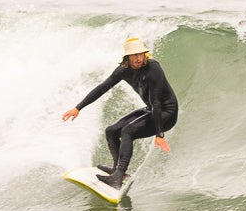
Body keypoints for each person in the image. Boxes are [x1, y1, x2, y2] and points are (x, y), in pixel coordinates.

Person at [62, 37, 178, 188]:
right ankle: (118, 171)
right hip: (152, 110)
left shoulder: (153, 68)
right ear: (127, 57)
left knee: (128, 131)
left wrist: (159, 134)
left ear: (144, 55)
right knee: (111, 131)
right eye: (134, 55)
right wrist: (78, 108)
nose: (138, 58)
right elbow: (102, 88)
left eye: (140, 54)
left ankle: (117, 178)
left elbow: (156, 101)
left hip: (166, 113)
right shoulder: (123, 70)